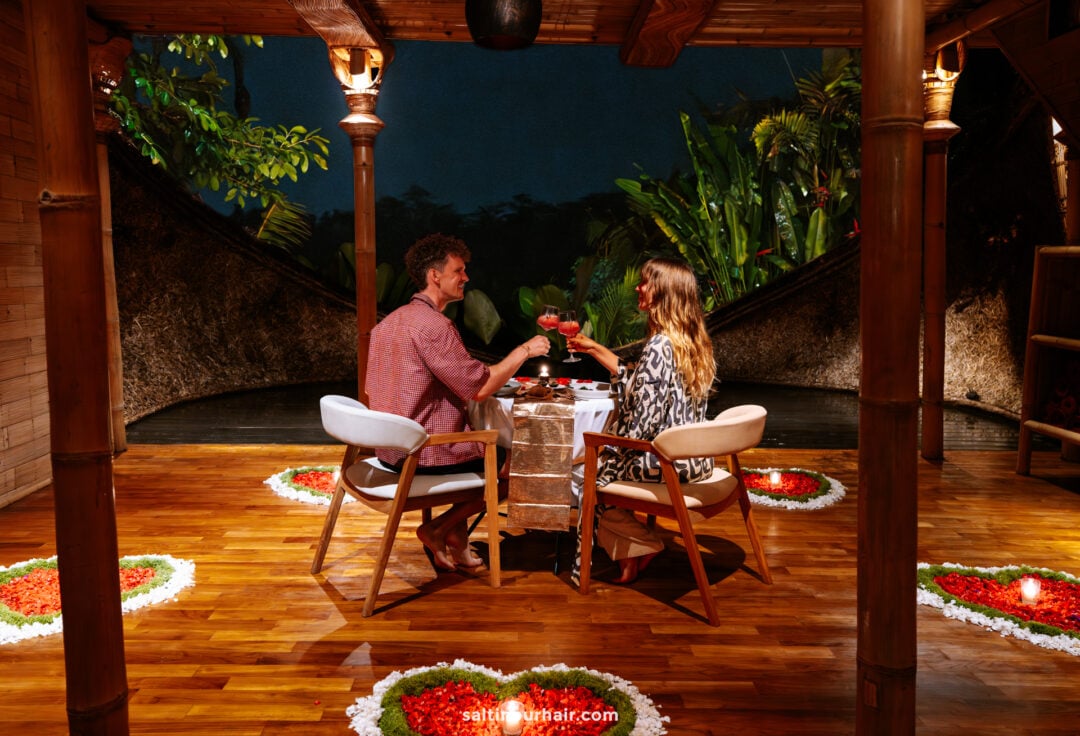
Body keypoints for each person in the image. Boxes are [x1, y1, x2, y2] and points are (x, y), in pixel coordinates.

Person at [366, 233, 550, 572]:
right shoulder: (434, 326)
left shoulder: (388, 323)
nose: (465, 278)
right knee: (518, 464)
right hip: (421, 453)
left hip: (389, 450)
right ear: (435, 276)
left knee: (473, 442)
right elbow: (479, 387)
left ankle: (457, 542)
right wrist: (525, 351)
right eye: (459, 270)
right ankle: (437, 528)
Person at [568, 257, 716, 585]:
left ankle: (642, 544)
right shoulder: (692, 342)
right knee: (601, 465)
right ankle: (631, 553)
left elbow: (641, 428)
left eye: (646, 282)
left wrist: (601, 442)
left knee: (580, 474)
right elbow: (640, 379)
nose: (639, 287)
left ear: (663, 291)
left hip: (663, 463)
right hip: (694, 459)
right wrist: (593, 349)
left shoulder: (659, 346)